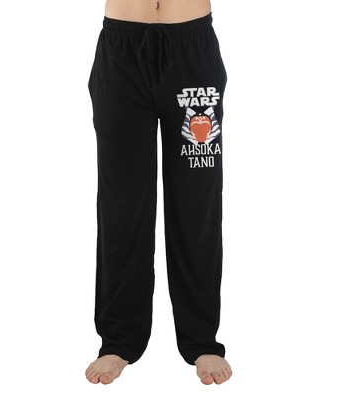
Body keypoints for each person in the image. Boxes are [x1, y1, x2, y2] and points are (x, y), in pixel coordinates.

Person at [85, 0, 232, 385]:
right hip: (121, 48)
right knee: (121, 204)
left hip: (192, 48)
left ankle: (201, 339)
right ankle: (119, 339)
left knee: (197, 202)